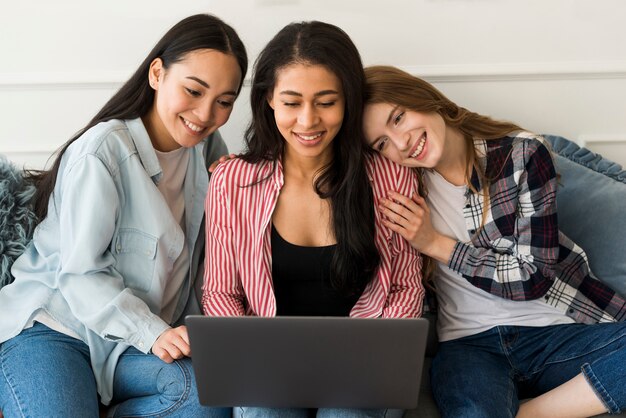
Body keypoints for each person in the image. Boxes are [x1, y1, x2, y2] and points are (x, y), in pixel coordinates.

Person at [0, 14, 247, 417]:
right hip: (55, 329)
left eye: (224, 102)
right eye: (193, 91)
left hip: (126, 346)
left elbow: (231, 241)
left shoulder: (208, 150)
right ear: (156, 73)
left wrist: (243, 182)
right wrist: (153, 333)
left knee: (206, 396)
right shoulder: (102, 152)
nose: (205, 114)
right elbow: (81, 275)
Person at [361, 65, 626, 418]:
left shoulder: (522, 154)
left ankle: (532, 413)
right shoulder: (397, 185)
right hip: (468, 347)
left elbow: (534, 277)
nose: (401, 142)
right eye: (382, 143)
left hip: (557, 332)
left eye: (398, 118)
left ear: (422, 98)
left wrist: (435, 243)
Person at [202, 22, 424, 418]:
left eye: (326, 102)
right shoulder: (232, 181)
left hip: (364, 369)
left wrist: (377, 357)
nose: (308, 121)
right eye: (292, 102)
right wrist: (251, 360)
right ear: (269, 99)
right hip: (267, 369)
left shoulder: (391, 176)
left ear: (348, 100)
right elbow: (220, 292)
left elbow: (407, 286)